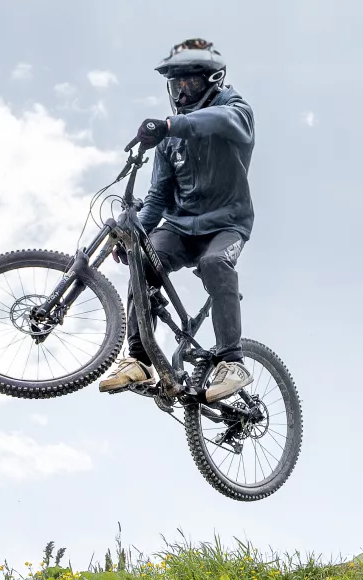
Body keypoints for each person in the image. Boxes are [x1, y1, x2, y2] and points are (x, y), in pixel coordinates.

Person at [98, 39, 255, 403]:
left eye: (191, 83)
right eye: (176, 84)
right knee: (141, 261)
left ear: (213, 81)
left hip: (227, 224)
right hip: (181, 227)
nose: (182, 91)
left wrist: (170, 124)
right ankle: (139, 359)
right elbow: (158, 198)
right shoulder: (170, 144)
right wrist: (135, 234)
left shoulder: (235, 111)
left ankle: (232, 361)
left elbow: (223, 121)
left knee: (216, 263)